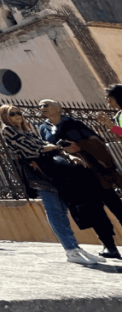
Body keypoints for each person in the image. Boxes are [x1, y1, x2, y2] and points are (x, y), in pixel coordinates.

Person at [0, 105, 110, 264]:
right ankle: (71, 250)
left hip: (52, 172)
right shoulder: (8, 131)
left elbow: (43, 145)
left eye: (19, 113)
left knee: (62, 211)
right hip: (41, 175)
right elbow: (32, 149)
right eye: (12, 114)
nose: (18, 116)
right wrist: (52, 147)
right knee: (55, 211)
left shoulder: (25, 130)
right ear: (5, 117)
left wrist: (58, 149)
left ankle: (74, 247)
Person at [38, 99, 122, 259]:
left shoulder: (74, 123)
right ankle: (110, 247)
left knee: (115, 205)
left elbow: (97, 142)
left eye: (46, 105)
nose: (42, 108)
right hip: (75, 175)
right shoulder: (43, 128)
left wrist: (79, 147)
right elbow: (47, 149)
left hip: (96, 172)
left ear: (58, 108)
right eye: (40, 106)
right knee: (93, 211)